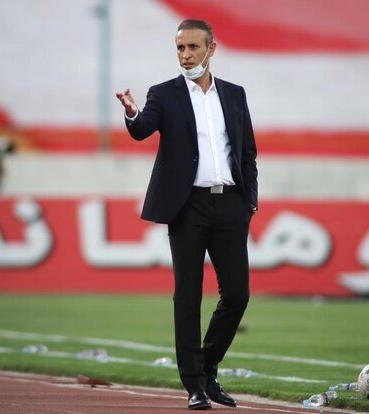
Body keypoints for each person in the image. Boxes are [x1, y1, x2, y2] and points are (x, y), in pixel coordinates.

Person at [116, 19, 258, 410]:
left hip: (230, 204)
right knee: (188, 296)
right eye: (180, 48)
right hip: (187, 206)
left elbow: (247, 152)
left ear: (211, 49)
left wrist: (249, 202)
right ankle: (194, 385)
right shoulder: (163, 94)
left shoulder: (234, 94)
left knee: (238, 295)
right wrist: (132, 113)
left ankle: (207, 366)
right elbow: (142, 128)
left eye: (193, 47)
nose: (186, 55)